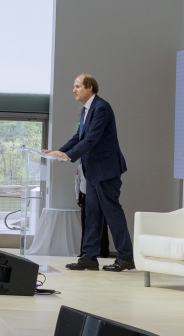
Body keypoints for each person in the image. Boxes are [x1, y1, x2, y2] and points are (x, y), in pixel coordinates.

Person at [45, 73, 135, 273]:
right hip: (93, 172)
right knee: (92, 215)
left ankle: (126, 257)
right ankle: (89, 257)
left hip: (106, 171)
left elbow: (91, 140)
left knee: (112, 214)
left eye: (77, 86)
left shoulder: (101, 108)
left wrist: (69, 155)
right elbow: (78, 137)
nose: (73, 90)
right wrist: (58, 152)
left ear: (89, 87)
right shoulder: (86, 110)